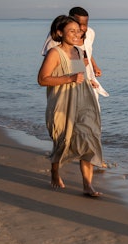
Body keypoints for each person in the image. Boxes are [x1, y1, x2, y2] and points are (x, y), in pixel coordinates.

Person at [37, 15, 104, 197]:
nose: (77, 34)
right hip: (62, 104)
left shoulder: (79, 51)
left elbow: (80, 74)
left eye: (78, 30)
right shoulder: (54, 53)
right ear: (59, 33)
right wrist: (69, 78)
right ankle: (55, 171)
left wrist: (90, 81)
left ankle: (87, 185)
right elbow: (42, 79)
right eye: (71, 31)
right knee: (63, 141)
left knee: (89, 138)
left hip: (84, 101)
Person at [41, 6, 108, 102]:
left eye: (85, 24)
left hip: (87, 81)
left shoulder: (90, 33)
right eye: (78, 24)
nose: (82, 28)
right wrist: (73, 75)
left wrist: (94, 67)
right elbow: (50, 66)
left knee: (92, 113)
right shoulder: (56, 38)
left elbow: (87, 52)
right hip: (64, 90)